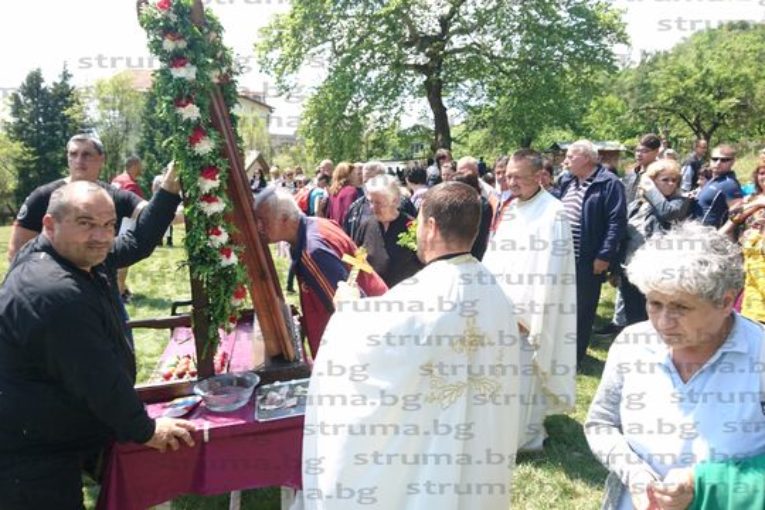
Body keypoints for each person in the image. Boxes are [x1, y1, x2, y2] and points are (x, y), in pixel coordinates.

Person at [298, 182, 521, 510]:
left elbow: (366, 348)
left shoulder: (421, 295)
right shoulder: (494, 291)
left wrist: (347, 308)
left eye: (418, 223)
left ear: (430, 227)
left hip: (435, 449)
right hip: (480, 439)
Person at [0, 179, 195, 510]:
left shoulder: (73, 255)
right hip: (29, 453)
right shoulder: (54, 292)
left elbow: (137, 242)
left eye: (108, 225)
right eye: (86, 223)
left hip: (50, 432)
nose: (102, 236)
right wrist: (147, 431)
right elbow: (98, 378)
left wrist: (168, 192)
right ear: (50, 224)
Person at [585, 222, 765, 510]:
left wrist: (704, 485)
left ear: (726, 301)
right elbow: (601, 423)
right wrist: (634, 472)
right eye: (654, 303)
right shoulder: (632, 344)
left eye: (682, 308)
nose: (663, 322)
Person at [483, 149, 577, 451]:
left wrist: (530, 317)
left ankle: (526, 437)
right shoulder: (510, 207)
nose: (511, 182)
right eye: (508, 176)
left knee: (525, 375)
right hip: (502, 305)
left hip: (530, 313)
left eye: (519, 177)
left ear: (540, 177)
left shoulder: (553, 212)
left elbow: (550, 271)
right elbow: (497, 254)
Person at [252, 187, 387, 358]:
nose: (259, 228)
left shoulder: (313, 252)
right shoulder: (318, 223)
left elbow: (349, 310)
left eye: (263, 221)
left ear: (285, 219)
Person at [8, 132, 147, 261]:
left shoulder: (114, 196)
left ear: (101, 159)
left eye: (86, 154)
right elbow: (17, 251)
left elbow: (152, 213)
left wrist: (167, 190)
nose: (78, 160)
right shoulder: (43, 196)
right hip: (54, 280)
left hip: (100, 282)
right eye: (73, 154)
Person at [553, 139, 626, 365]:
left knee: (582, 309)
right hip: (562, 257)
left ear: (586, 158)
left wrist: (604, 255)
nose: (566, 161)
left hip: (588, 259)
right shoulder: (567, 181)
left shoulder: (609, 183)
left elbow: (616, 222)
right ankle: (557, 350)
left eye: (570, 156)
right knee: (561, 305)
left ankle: (574, 357)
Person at [620, 159, 690, 325]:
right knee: (633, 314)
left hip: (658, 270)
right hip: (630, 267)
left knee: (653, 315)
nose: (671, 184)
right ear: (653, 179)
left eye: (674, 180)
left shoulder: (679, 202)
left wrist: (650, 189)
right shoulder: (637, 204)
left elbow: (667, 212)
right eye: (665, 179)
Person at [354, 175, 422, 287]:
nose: (372, 207)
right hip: (374, 296)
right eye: (371, 202)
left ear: (395, 201)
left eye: (378, 203)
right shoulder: (365, 226)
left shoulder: (412, 227)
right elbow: (357, 261)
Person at [721, 162, 765, 323]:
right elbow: (731, 223)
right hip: (749, 264)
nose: (764, 177)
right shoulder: (750, 199)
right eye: (761, 172)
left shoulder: (755, 203)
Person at [343, 161, 416, 243]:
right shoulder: (356, 210)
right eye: (365, 181)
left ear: (394, 201)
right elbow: (353, 248)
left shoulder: (410, 221)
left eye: (379, 203)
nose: (369, 185)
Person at [111, 155, 145, 302]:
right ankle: (119, 293)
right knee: (123, 260)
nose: (141, 169)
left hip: (111, 222)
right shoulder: (131, 185)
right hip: (124, 223)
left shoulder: (116, 180)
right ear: (133, 165)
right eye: (140, 166)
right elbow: (137, 210)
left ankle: (122, 288)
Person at [691, 143, 743, 227]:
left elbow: (738, 215)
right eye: (715, 159)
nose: (718, 163)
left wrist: (721, 233)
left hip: (711, 235)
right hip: (697, 232)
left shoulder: (729, 184)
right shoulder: (714, 179)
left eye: (724, 160)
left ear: (733, 161)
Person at [326, 161, 362, 227]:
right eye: (354, 174)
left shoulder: (334, 191)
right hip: (346, 231)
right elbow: (350, 215)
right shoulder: (350, 191)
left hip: (336, 230)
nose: (356, 177)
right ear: (348, 176)